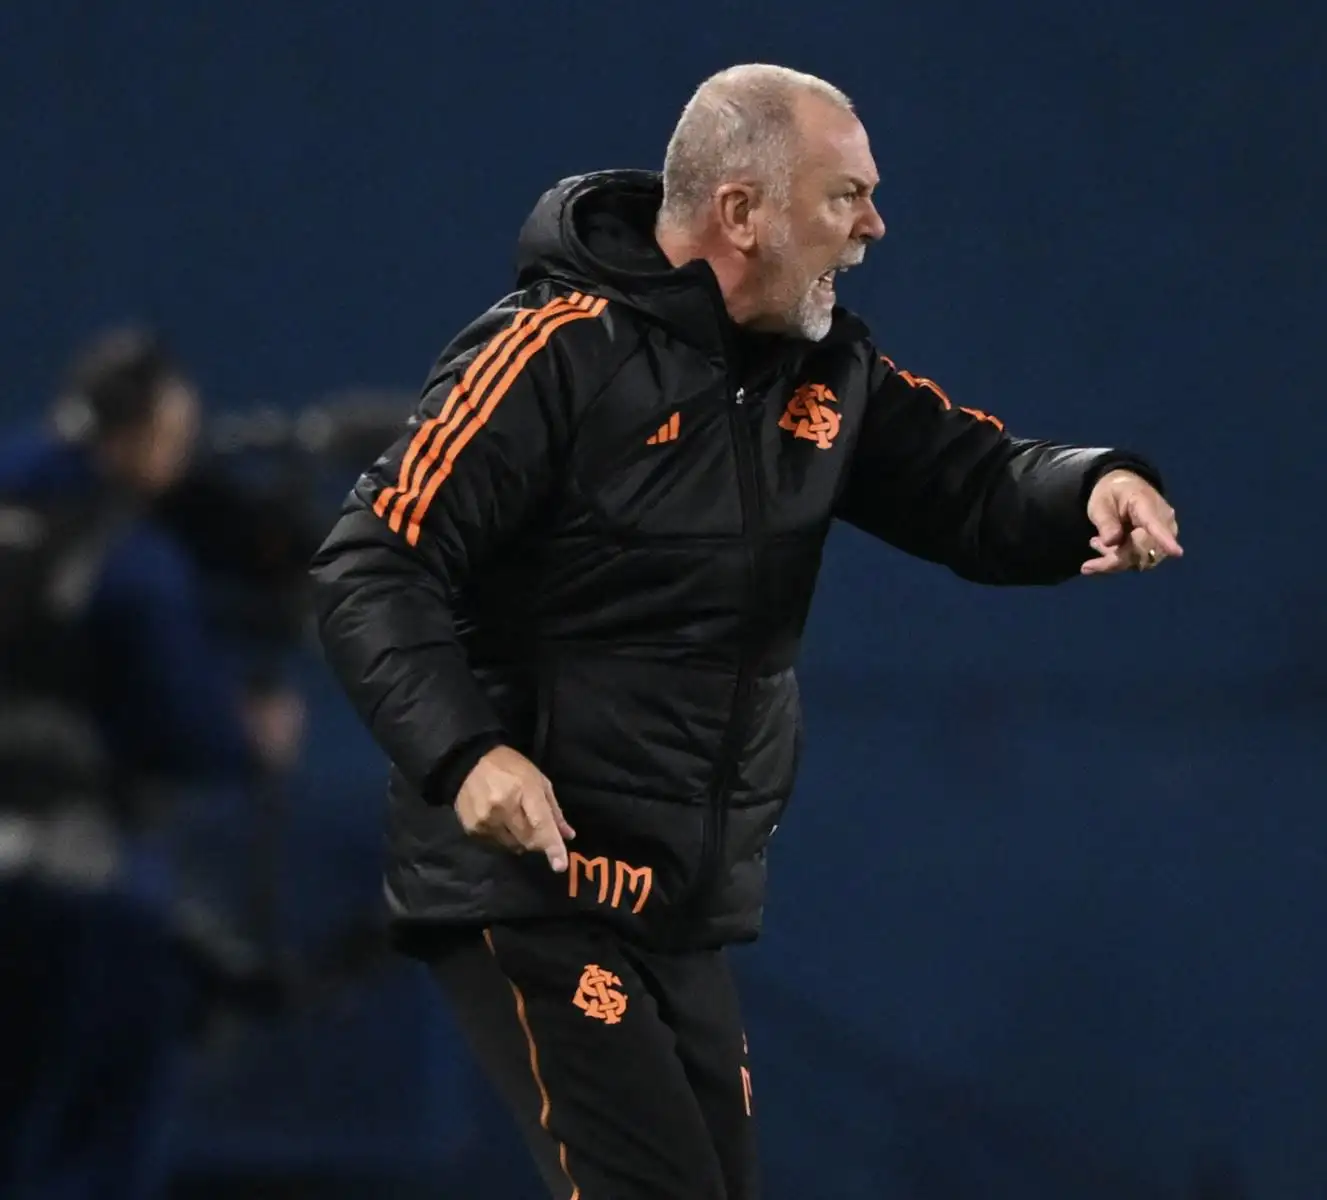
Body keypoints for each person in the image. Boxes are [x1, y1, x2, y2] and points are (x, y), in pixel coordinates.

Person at [309, 63, 1180, 1200]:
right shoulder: (555, 353)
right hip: (536, 884)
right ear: (741, 211)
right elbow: (373, 556)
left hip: (677, 904)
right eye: (845, 197)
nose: (875, 226)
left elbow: (975, 484)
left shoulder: (822, 371)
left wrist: (1093, 487)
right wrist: (467, 752)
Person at [0, 328, 304, 1200]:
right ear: (139, 435)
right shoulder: (130, 557)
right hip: (77, 885)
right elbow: (188, 727)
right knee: (92, 1143)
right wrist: (252, 736)